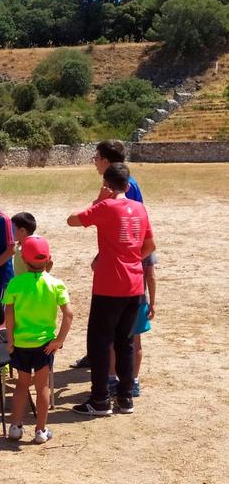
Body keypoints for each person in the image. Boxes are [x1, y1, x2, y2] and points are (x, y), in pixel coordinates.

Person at [67, 162, 155, 416]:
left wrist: (98, 199)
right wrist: (132, 259)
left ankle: (100, 400)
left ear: (107, 184)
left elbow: (72, 220)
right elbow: (150, 245)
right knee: (125, 342)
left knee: (99, 342)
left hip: (109, 285)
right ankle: (125, 398)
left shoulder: (105, 206)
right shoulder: (140, 208)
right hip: (134, 284)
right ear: (128, 186)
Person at [71, 140, 144, 369]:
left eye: (96, 158)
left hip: (127, 261)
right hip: (126, 256)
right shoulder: (118, 183)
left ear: (105, 160)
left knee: (124, 327)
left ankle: (120, 378)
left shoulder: (123, 187)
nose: (94, 163)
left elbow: (121, 226)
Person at [4, 236, 73, 444]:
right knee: (42, 387)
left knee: (21, 385)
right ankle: (41, 431)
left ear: (23, 260)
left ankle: (15, 428)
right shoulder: (56, 284)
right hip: (45, 346)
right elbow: (68, 314)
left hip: (21, 343)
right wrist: (58, 341)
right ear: (49, 259)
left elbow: (8, 314)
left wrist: (10, 340)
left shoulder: (15, 283)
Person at [109, 253, 156, 397]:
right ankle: (133, 381)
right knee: (136, 343)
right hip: (138, 300)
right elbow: (151, 277)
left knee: (113, 342)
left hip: (115, 299)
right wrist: (152, 303)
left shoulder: (116, 245)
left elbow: (95, 266)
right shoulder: (147, 250)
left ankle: (112, 379)